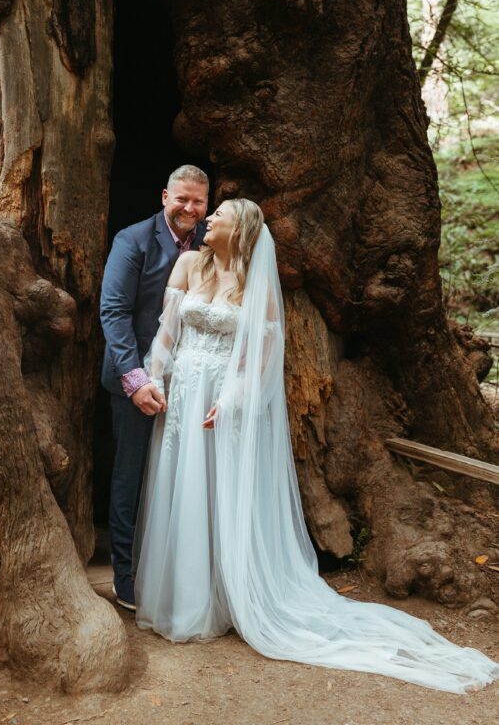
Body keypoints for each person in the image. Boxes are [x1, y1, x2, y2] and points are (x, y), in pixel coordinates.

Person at [134, 198, 499, 693]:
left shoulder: (256, 285)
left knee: (219, 490)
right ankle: (188, 599)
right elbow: (165, 334)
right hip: (182, 393)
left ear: (239, 230)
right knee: (184, 486)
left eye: (218, 213)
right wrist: (156, 379)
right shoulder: (187, 264)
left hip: (223, 400)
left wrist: (233, 399)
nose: (209, 219)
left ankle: (229, 595)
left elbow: (261, 357)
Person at [100, 165, 209, 610]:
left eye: (198, 201)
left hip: (188, 381)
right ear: (165, 196)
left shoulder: (211, 242)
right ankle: (124, 575)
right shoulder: (133, 240)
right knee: (130, 475)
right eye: (182, 198)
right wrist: (136, 380)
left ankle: (175, 574)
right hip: (136, 381)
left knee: (179, 477)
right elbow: (114, 311)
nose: (189, 208)